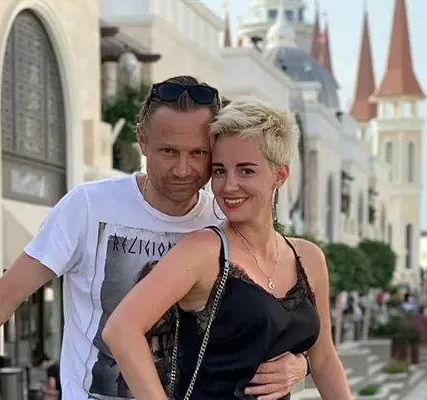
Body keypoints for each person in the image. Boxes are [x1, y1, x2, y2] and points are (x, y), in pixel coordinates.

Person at [0, 76, 309, 399]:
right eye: (168, 151)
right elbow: (5, 294)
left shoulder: (225, 216)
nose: (183, 169)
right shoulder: (89, 207)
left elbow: (273, 312)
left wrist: (301, 363)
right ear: (141, 140)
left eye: (198, 153)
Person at [102, 98, 353, 399]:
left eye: (246, 171)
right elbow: (121, 329)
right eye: (220, 171)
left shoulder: (309, 258)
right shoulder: (203, 250)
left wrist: (303, 364)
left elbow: (324, 359)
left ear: (280, 175)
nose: (228, 185)